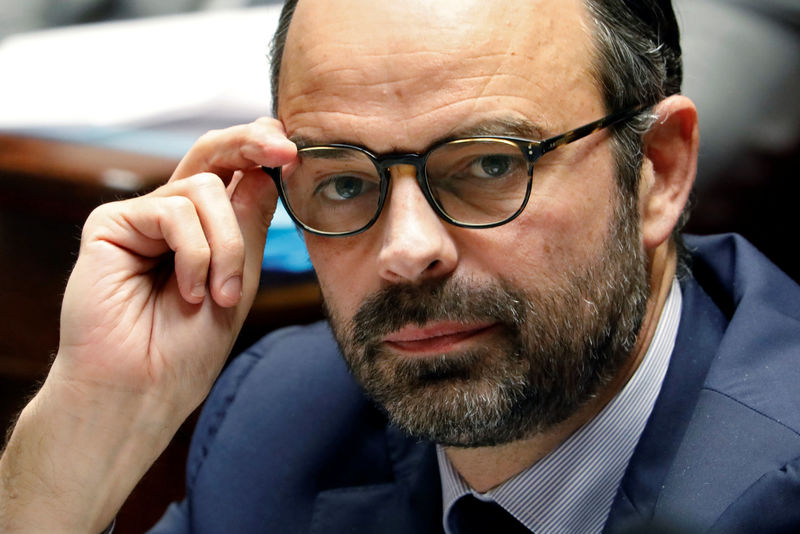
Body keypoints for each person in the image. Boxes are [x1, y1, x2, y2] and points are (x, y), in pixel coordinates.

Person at [1, 0, 799, 533]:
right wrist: (89, 423)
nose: (406, 251)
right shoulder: (275, 421)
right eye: (345, 182)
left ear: (656, 169)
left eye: (490, 166)